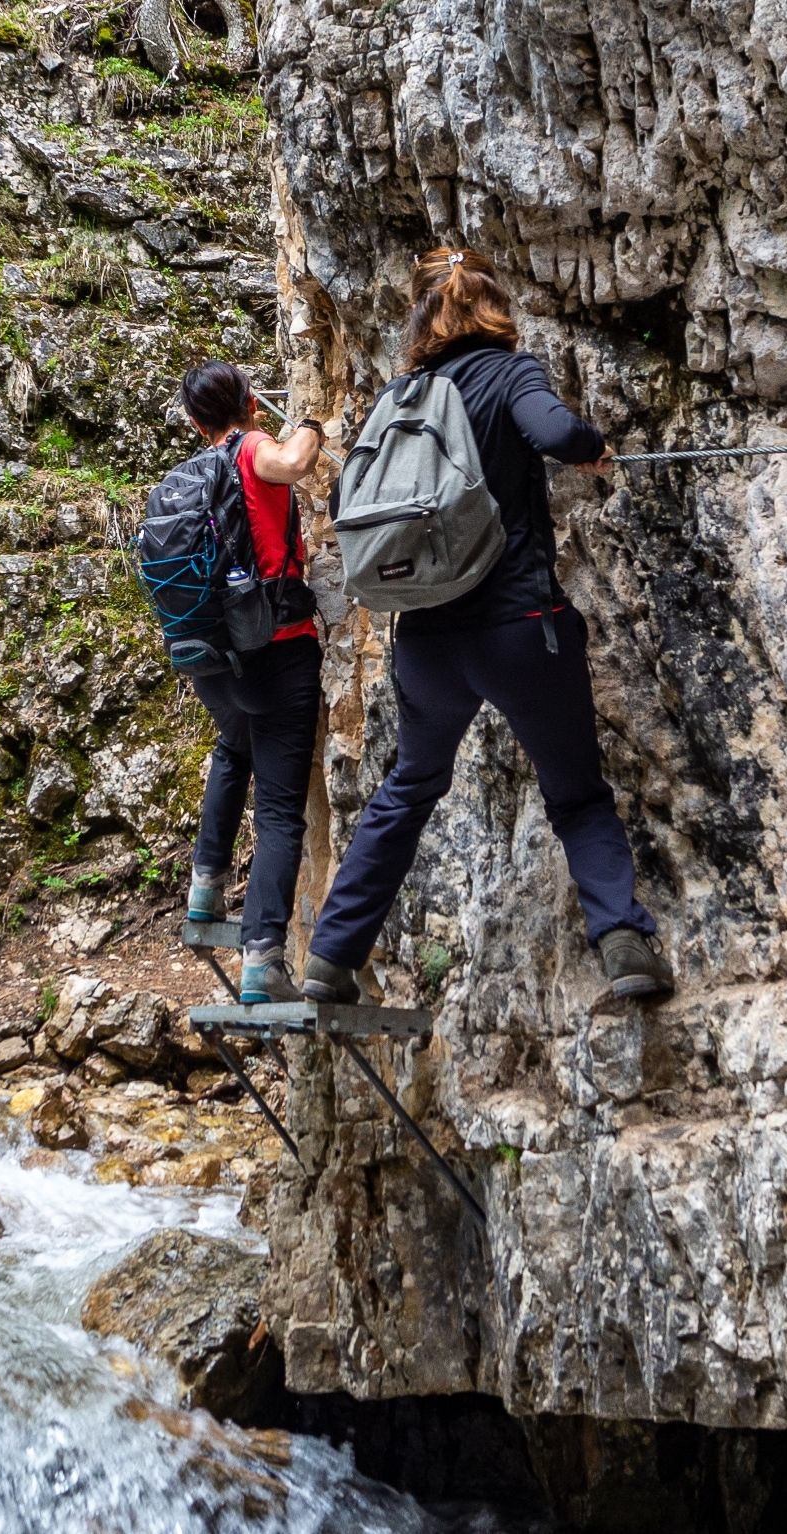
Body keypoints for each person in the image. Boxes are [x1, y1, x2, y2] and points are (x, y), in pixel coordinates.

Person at [302, 248, 675, 1003]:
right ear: (495, 309)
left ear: (421, 320)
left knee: (409, 786)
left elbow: (351, 491)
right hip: (519, 629)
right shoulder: (510, 372)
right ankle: (623, 944)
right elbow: (556, 433)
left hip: (429, 642)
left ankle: (330, 957)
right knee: (574, 793)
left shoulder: (399, 397)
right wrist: (595, 450)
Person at [174, 360, 327, 1003]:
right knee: (280, 813)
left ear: (192, 420)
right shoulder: (249, 448)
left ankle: (205, 888)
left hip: (210, 658)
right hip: (276, 650)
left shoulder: (190, 474)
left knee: (233, 747)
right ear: (249, 406)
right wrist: (313, 424)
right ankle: (263, 959)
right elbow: (292, 464)